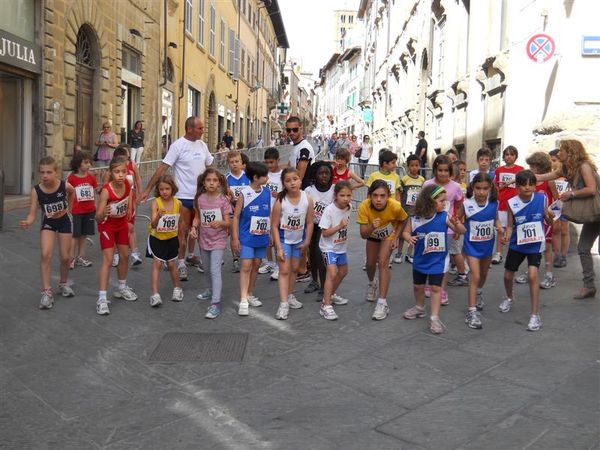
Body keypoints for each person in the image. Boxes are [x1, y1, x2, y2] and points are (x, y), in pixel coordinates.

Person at [139, 117, 214, 281]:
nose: (203, 131)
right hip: (183, 197)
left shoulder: (202, 145)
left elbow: (210, 166)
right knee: (183, 231)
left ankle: (191, 256)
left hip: (201, 196)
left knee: (198, 229)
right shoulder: (178, 146)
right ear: (189, 129)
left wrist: (222, 187)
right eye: (200, 128)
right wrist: (147, 189)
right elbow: (163, 168)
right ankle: (180, 263)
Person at [402, 185, 465, 334]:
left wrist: (457, 224)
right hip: (420, 259)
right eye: (441, 201)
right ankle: (419, 307)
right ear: (429, 201)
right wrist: (409, 238)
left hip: (439, 259)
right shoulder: (415, 218)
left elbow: (462, 231)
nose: (444, 204)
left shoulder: (444, 216)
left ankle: (434, 317)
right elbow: (405, 232)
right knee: (418, 286)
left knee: (436, 288)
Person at [20, 156, 76, 309]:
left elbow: (73, 193)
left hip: (64, 221)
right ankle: (46, 292)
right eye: (42, 172)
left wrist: (69, 210)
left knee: (65, 257)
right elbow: (32, 213)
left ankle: (63, 283)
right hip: (48, 223)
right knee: (45, 254)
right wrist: (28, 221)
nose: (45, 176)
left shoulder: (64, 186)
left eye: (49, 172)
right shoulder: (36, 191)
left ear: (56, 172)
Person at [499, 170, 551, 331]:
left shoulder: (542, 199)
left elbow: (549, 220)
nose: (527, 188)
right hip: (517, 244)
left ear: (535, 186)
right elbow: (509, 225)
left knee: (533, 275)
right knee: (508, 276)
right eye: (523, 185)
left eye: (531, 184)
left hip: (535, 244)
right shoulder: (511, 203)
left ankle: (535, 315)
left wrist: (549, 215)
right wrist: (506, 236)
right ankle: (509, 297)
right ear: (517, 187)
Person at [357, 180, 408, 320]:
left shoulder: (395, 206)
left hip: (388, 235)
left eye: (382, 196)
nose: (378, 199)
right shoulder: (364, 207)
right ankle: (372, 283)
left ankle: (382, 303)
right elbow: (363, 234)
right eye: (375, 195)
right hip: (372, 234)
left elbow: (404, 219)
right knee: (370, 264)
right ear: (369, 196)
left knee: (383, 262)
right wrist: (372, 227)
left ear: (388, 196)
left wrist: (396, 237)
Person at [95, 156, 138, 315]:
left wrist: (128, 209)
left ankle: (121, 287)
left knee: (125, 256)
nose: (120, 175)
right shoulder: (106, 191)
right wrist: (102, 212)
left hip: (120, 225)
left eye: (123, 172)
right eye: (117, 172)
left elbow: (131, 196)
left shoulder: (127, 183)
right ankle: (102, 298)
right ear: (111, 173)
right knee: (108, 259)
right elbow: (97, 217)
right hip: (106, 225)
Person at [271, 168, 315, 320]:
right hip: (284, 240)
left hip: (299, 240)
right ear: (283, 184)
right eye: (288, 181)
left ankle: (290, 295)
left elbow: (310, 223)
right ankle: (283, 304)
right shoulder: (280, 202)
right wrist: (278, 247)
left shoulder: (307, 199)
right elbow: (274, 226)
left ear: (300, 180)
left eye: (295, 179)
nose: (292, 183)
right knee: (284, 270)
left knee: (295, 269)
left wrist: (307, 241)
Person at [423, 155, 465, 303]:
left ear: (450, 171)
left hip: (448, 228)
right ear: (435, 170)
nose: (442, 173)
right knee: (430, 256)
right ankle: (430, 284)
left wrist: (457, 224)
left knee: (444, 261)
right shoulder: (427, 184)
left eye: (446, 170)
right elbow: (424, 204)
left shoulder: (456, 187)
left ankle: (442, 290)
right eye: (439, 170)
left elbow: (459, 206)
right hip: (430, 227)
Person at [191, 168, 232, 319]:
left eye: (215, 180)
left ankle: (216, 303)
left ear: (219, 183)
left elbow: (228, 222)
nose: (211, 183)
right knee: (207, 268)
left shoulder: (223, 200)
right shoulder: (200, 199)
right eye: (209, 180)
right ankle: (209, 290)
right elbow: (197, 217)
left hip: (219, 239)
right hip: (204, 238)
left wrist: (220, 222)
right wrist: (194, 227)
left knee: (215, 269)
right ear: (204, 182)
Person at [462, 173, 501, 329]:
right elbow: (459, 219)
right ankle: (471, 312)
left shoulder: (494, 204)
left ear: (490, 188)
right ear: (473, 187)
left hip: (487, 246)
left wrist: (499, 226)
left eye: (485, 188)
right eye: (478, 188)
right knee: (475, 275)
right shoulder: (466, 204)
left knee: (483, 275)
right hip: (471, 246)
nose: (481, 192)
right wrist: (457, 228)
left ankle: (478, 292)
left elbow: (496, 218)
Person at [232, 162, 271, 316]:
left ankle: (250, 293)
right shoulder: (244, 193)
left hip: (261, 236)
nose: (268, 178)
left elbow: (269, 215)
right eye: (265, 176)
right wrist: (235, 238)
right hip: (247, 236)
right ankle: (242, 299)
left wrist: (271, 236)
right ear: (255, 177)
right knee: (246, 265)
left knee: (256, 264)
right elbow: (235, 216)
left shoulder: (267, 192)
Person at [517, 152, 559, 290]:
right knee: (531, 245)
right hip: (532, 219)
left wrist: (553, 215)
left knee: (546, 247)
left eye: (533, 166)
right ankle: (531, 272)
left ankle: (549, 276)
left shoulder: (549, 181)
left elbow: (557, 200)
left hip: (545, 220)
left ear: (541, 166)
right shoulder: (531, 182)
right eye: (529, 166)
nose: (530, 168)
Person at [147, 175, 184, 307]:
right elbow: (153, 224)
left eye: (167, 188)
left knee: (172, 264)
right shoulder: (156, 203)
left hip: (172, 238)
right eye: (161, 189)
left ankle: (177, 288)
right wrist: (158, 216)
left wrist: (181, 239)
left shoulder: (178, 203)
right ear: (158, 190)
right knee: (157, 264)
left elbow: (180, 222)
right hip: (157, 238)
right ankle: (155, 294)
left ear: (172, 189)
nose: (164, 192)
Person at [319, 180, 353, 320]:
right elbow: (324, 233)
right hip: (328, 247)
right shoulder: (329, 210)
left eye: (348, 195)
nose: (345, 198)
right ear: (335, 195)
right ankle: (326, 306)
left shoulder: (349, 207)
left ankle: (330, 294)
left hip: (341, 246)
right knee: (332, 273)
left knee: (343, 271)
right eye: (342, 195)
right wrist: (339, 226)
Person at [304, 161, 335, 295]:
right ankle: (314, 281)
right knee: (312, 254)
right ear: (315, 175)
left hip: (327, 228)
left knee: (320, 255)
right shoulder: (309, 191)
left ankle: (324, 287)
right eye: (320, 173)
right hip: (312, 225)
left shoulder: (334, 190)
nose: (324, 176)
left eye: (326, 173)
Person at [112, 145, 143, 267]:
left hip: (131, 199)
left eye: (126, 158)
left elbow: (138, 179)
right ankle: (115, 255)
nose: (126, 160)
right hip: (117, 201)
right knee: (115, 228)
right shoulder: (112, 170)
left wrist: (140, 194)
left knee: (130, 227)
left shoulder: (132, 165)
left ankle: (134, 254)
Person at [492, 145, 523, 264]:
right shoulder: (499, 170)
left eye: (512, 154)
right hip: (502, 202)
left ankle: (517, 251)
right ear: (503, 156)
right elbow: (495, 185)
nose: (509, 157)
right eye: (507, 154)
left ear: (516, 156)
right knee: (501, 229)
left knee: (516, 228)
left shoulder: (520, 169)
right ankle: (498, 253)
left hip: (516, 203)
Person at [67, 152, 97, 269]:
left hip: (89, 210)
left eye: (90, 162)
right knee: (75, 235)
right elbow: (68, 193)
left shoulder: (91, 177)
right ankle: (71, 258)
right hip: (76, 211)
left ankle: (81, 257)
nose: (89, 165)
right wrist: (68, 208)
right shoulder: (72, 178)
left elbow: (94, 192)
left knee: (84, 235)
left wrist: (97, 206)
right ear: (78, 164)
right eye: (86, 162)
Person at [394, 154, 425, 264]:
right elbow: (400, 193)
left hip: (416, 211)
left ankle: (409, 254)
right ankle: (399, 253)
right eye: (412, 165)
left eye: (416, 165)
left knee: (413, 233)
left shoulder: (422, 180)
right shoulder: (404, 179)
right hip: (405, 210)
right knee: (403, 233)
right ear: (408, 166)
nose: (414, 168)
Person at [259, 147, 283, 278]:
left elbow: (290, 190)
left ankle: (280, 266)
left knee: (277, 238)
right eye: (267, 162)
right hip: (265, 211)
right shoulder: (264, 174)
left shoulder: (282, 175)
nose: (269, 165)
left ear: (278, 160)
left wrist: (280, 194)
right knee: (267, 239)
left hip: (278, 212)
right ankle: (270, 262)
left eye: (272, 162)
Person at [226, 150, 251, 273]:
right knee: (234, 233)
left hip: (246, 210)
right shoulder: (226, 178)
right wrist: (230, 201)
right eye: (232, 162)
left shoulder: (248, 177)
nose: (234, 164)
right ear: (228, 164)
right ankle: (235, 258)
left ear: (242, 162)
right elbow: (224, 196)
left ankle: (247, 256)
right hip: (232, 210)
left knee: (245, 233)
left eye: (237, 161)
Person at [549, 148, 570, 268]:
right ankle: (557, 255)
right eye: (551, 160)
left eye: (555, 160)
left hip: (566, 206)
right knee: (555, 230)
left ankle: (563, 255)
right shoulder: (550, 176)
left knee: (564, 230)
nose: (553, 163)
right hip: (554, 206)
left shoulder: (567, 176)